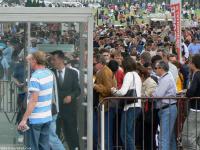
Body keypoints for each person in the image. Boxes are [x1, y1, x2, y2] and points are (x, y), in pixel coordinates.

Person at [18, 51, 54, 149]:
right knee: (44, 146)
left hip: (36, 119)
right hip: (47, 116)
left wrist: (24, 119)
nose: (29, 63)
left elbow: (33, 100)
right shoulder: (49, 73)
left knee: (33, 146)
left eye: (30, 61)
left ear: (35, 61)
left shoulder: (35, 78)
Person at [50, 50, 81, 150]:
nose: (52, 62)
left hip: (69, 110)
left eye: (54, 59)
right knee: (55, 135)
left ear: (61, 59)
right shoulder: (50, 73)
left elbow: (77, 90)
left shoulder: (73, 73)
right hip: (55, 111)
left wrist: (71, 96)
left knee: (71, 134)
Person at [111, 56, 142, 150]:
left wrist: (113, 91)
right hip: (137, 106)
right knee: (129, 134)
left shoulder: (128, 75)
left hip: (130, 107)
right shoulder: (137, 75)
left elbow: (123, 92)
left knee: (124, 134)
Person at [152, 60, 177, 150]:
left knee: (163, 138)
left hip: (167, 109)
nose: (155, 70)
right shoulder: (166, 77)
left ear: (161, 68)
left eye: (156, 68)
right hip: (168, 108)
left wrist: (152, 93)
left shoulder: (166, 79)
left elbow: (158, 94)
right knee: (169, 137)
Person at [93, 54, 116, 150]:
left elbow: (108, 90)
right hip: (102, 107)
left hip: (106, 107)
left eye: (94, 63)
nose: (93, 65)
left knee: (106, 135)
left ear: (100, 63)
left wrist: (94, 86)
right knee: (102, 134)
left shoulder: (105, 71)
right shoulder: (100, 71)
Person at [182, 54, 200, 150]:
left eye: (190, 62)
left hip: (195, 110)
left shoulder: (196, 74)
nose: (188, 64)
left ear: (194, 64)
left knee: (187, 139)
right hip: (197, 109)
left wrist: (187, 92)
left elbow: (191, 91)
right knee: (197, 140)